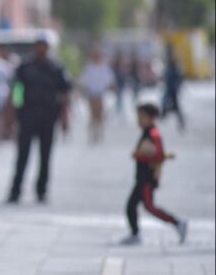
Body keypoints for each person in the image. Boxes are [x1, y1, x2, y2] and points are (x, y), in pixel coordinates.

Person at [8, 36, 71, 204]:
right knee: (23, 154)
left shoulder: (55, 68)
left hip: (48, 116)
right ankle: (16, 190)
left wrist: (65, 117)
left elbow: (64, 93)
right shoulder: (25, 67)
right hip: (28, 115)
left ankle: (41, 190)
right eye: (38, 46)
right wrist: (14, 113)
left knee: (45, 155)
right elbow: (16, 90)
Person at [120, 103, 187, 245]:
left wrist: (140, 156)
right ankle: (135, 233)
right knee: (131, 206)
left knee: (149, 207)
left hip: (147, 178)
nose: (139, 120)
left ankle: (178, 222)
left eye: (142, 117)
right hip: (141, 178)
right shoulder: (147, 132)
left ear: (150, 118)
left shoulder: (153, 134)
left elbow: (158, 155)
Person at [79, 47, 115, 143]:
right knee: (92, 114)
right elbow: (84, 80)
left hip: (100, 93)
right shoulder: (88, 67)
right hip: (91, 93)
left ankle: (99, 132)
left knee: (100, 114)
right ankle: (92, 133)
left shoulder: (104, 67)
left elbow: (109, 80)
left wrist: (110, 88)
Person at [161, 46, 185, 131]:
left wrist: (177, 87)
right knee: (168, 104)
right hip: (170, 88)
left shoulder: (174, 66)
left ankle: (179, 120)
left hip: (172, 89)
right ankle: (164, 115)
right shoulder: (170, 65)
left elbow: (178, 78)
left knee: (173, 106)